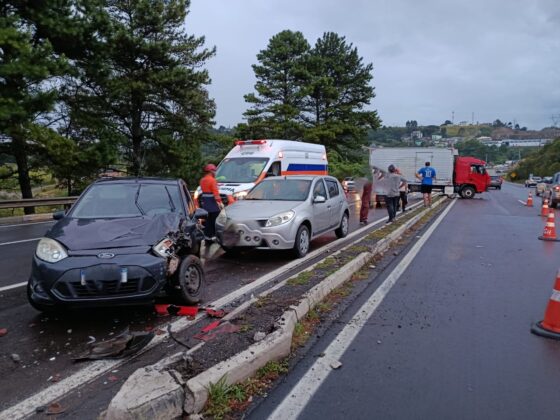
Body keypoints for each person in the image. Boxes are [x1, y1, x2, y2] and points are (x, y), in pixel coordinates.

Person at [199, 163, 224, 243]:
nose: (215, 173)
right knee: (215, 219)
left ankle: (207, 236)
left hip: (205, 204)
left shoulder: (202, 180)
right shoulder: (212, 180)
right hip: (213, 204)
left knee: (208, 220)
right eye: (214, 171)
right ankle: (213, 236)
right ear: (211, 171)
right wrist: (220, 203)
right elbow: (216, 194)